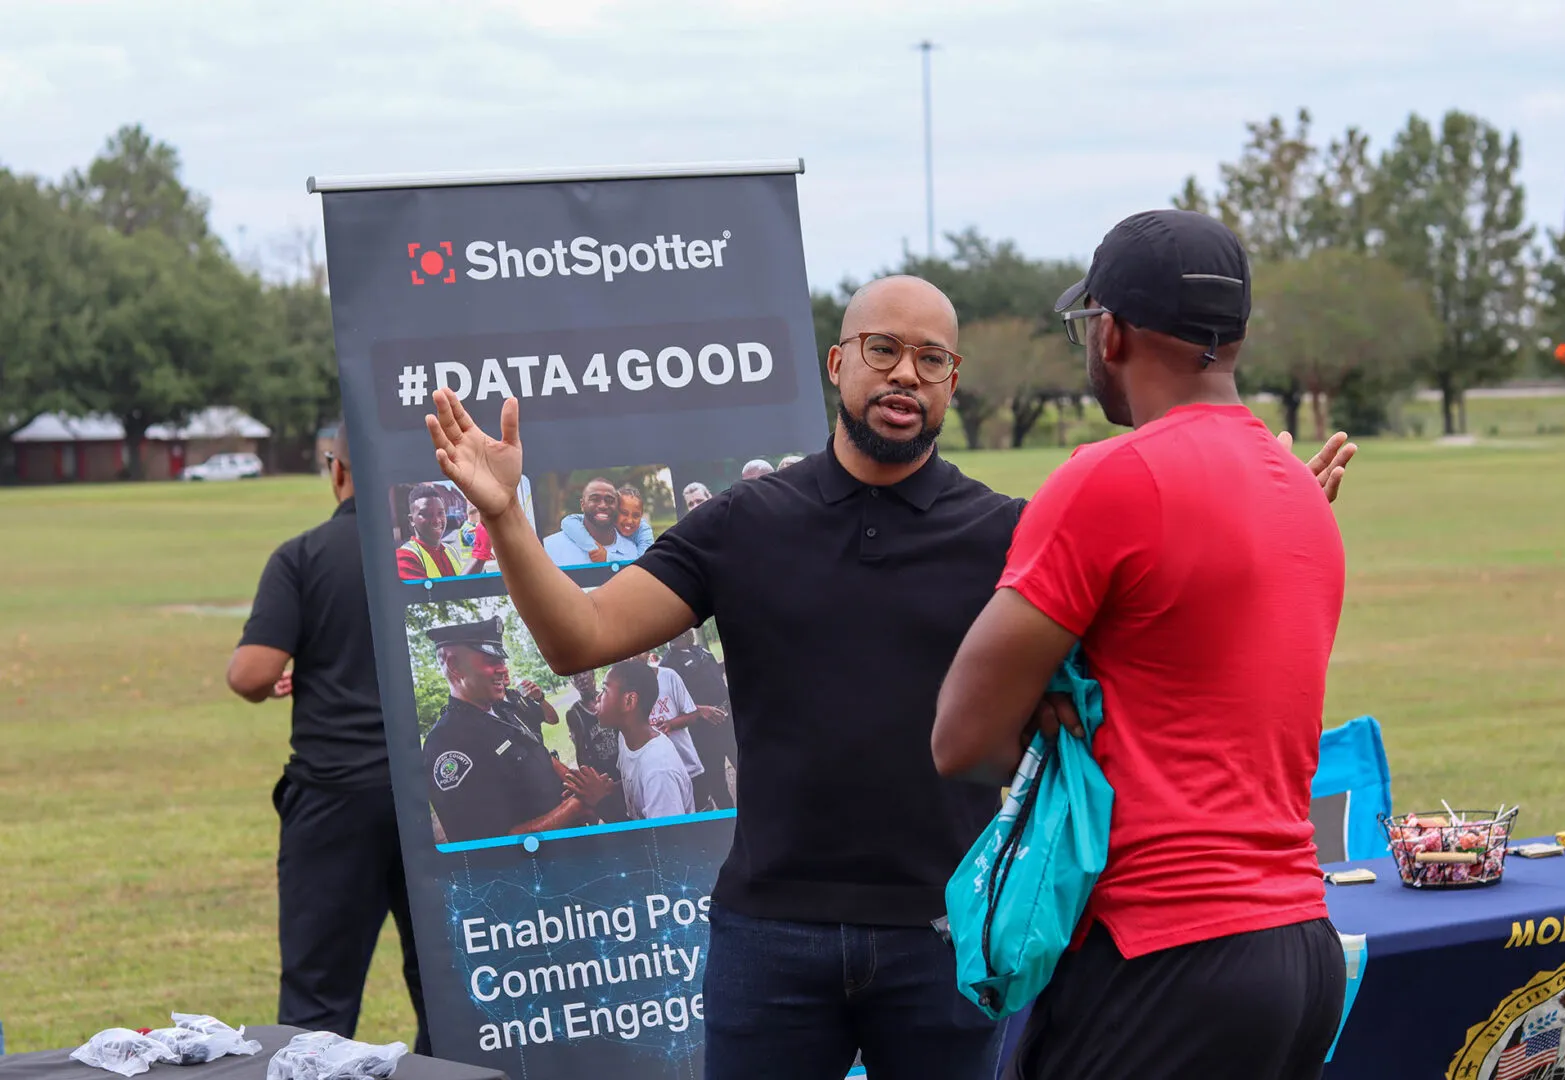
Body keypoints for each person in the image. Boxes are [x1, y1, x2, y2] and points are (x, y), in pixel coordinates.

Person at [422, 271, 1354, 1080]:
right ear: (838, 364)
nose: (906, 373)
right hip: (769, 934)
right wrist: (506, 517)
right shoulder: (747, 521)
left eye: (931, 359)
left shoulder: (1012, 532)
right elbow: (579, 637)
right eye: (882, 349)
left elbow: (1168, 631)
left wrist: (1267, 519)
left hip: (945, 938)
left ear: (953, 382)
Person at [933, 209, 1351, 1080]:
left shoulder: (1109, 477)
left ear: (1110, 332)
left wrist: (1047, 702)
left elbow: (961, 740)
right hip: (1299, 949)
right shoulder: (1302, 493)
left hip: (1162, 949)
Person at [226, 421, 431, 1055]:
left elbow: (250, 674)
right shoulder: (424, 556)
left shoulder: (303, 555)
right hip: (434, 799)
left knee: (317, 1004)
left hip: (334, 798)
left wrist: (285, 672)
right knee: (448, 990)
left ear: (335, 468)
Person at [420, 616, 616, 842]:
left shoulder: (504, 708)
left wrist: (579, 783)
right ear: (454, 665)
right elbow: (490, 844)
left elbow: (538, 752)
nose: (503, 669)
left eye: (501, 660)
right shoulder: (447, 743)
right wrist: (578, 805)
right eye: (490, 660)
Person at [597, 660, 696, 821]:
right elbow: (634, 784)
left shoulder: (659, 770)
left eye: (604, 690)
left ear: (629, 701)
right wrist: (609, 789)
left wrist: (601, 802)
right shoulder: (626, 737)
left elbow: (664, 842)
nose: (598, 697)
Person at [660, 629, 737, 810]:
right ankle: (730, 822)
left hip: (728, 720)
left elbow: (711, 674)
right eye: (686, 629)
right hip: (705, 731)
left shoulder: (698, 650)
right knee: (717, 782)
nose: (691, 631)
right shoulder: (668, 666)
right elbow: (672, 703)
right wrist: (700, 710)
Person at [563, 669, 628, 822]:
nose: (581, 679)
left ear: (592, 674)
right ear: (572, 682)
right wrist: (587, 782)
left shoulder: (609, 698)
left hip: (624, 767)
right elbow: (580, 752)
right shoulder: (574, 713)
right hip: (603, 777)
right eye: (575, 676)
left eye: (584, 673)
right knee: (615, 817)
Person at [542, 478, 641, 567]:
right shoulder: (549, 547)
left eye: (610, 500)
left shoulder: (632, 551)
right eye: (594, 499)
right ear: (582, 504)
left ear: (617, 506)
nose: (603, 505)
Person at [560, 483, 655, 561]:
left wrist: (607, 557)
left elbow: (644, 563)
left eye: (636, 515)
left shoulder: (644, 531)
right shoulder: (608, 518)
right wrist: (593, 547)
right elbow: (567, 522)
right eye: (624, 513)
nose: (630, 520)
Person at [396, 483, 467, 580]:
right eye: (426, 514)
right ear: (412, 520)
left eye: (440, 513)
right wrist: (479, 556)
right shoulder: (405, 557)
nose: (436, 520)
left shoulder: (451, 550)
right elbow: (433, 594)